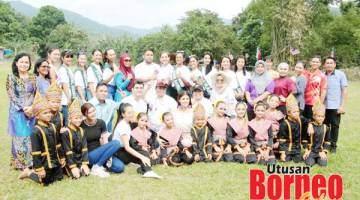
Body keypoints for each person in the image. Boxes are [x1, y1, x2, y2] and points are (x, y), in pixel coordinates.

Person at [113, 103, 162, 179]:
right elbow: (127, 148)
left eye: (132, 112)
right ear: (123, 114)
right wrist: (142, 157)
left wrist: (151, 150)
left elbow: (144, 125)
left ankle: (141, 170)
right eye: (129, 113)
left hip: (125, 150)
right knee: (144, 154)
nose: (132, 114)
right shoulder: (123, 127)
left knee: (147, 155)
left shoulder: (128, 123)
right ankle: (148, 171)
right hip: (120, 153)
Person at [6, 53, 36, 170]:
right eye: (22, 62)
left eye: (26, 62)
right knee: (20, 136)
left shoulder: (33, 77)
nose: (24, 64)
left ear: (29, 64)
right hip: (17, 112)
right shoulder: (11, 77)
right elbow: (12, 95)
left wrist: (32, 107)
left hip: (31, 111)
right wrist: (24, 109)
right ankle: (21, 164)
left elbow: (36, 94)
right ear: (16, 63)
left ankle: (31, 161)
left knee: (30, 136)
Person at [27, 92, 64, 185]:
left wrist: (62, 157)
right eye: (45, 113)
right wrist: (40, 169)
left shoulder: (53, 126)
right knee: (46, 181)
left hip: (55, 160)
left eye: (49, 113)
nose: (49, 115)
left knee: (59, 178)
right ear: (37, 116)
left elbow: (58, 144)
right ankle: (29, 173)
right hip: (44, 162)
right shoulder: (35, 131)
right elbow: (35, 152)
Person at [80, 103, 124, 177]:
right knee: (116, 143)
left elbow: (105, 141)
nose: (93, 113)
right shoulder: (81, 125)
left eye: (93, 111)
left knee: (119, 167)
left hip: (101, 152)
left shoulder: (101, 123)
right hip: (90, 155)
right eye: (90, 112)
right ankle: (97, 166)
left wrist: (108, 155)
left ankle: (98, 165)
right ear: (85, 114)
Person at [323, 57, 348, 153]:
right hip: (324, 106)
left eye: (331, 63)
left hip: (335, 106)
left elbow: (344, 91)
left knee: (335, 126)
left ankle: (333, 146)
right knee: (324, 126)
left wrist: (342, 106)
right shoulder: (322, 75)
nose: (329, 64)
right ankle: (325, 144)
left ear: (335, 64)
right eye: (327, 63)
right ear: (324, 65)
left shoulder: (340, 74)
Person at [62, 99, 90, 179]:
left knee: (86, 173)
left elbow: (84, 148)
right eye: (76, 118)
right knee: (76, 176)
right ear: (70, 119)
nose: (78, 120)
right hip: (70, 160)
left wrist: (84, 163)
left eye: (80, 118)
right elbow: (68, 151)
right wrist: (73, 166)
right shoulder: (66, 132)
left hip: (80, 158)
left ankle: (81, 166)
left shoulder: (82, 130)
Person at [279, 95, 309, 163]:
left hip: (297, 149)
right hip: (288, 148)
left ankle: (297, 154)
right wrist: (283, 153)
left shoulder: (300, 119)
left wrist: (310, 125)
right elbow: (282, 140)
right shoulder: (284, 124)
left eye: (298, 111)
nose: (297, 114)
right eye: (294, 112)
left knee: (299, 160)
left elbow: (308, 121)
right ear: (288, 113)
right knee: (285, 160)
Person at [303, 101, 330, 167]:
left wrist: (324, 152)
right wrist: (306, 151)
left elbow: (327, 141)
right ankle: (311, 158)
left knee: (323, 164)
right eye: (318, 116)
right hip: (311, 151)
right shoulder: (309, 127)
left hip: (320, 151)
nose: (320, 118)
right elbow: (305, 140)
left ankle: (319, 157)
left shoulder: (326, 128)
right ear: (314, 116)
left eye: (322, 116)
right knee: (309, 164)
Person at [303, 55, 327, 120]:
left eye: (317, 62)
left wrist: (320, 104)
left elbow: (323, 90)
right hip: (303, 102)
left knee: (311, 122)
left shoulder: (322, 76)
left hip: (314, 103)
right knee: (302, 123)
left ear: (320, 64)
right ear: (310, 63)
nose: (315, 63)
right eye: (313, 61)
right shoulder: (304, 73)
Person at [58, 50, 75, 126]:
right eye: (67, 57)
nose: (69, 58)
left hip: (69, 99)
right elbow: (64, 85)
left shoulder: (68, 69)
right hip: (65, 100)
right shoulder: (62, 69)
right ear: (62, 58)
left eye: (71, 57)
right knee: (66, 123)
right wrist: (68, 98)